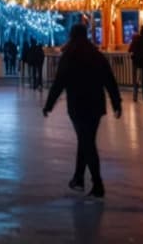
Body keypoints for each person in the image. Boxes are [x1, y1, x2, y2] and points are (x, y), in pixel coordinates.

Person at [43, 24, 122, 199]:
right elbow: (109, 79)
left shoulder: (69, 56)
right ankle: (78, 178)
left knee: (86, 142)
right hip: (95, 104)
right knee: (86, 140)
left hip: (78, 104)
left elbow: (59, 82)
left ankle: (97, 183)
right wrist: (116, 102)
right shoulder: (96, 55)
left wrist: (49, 104)